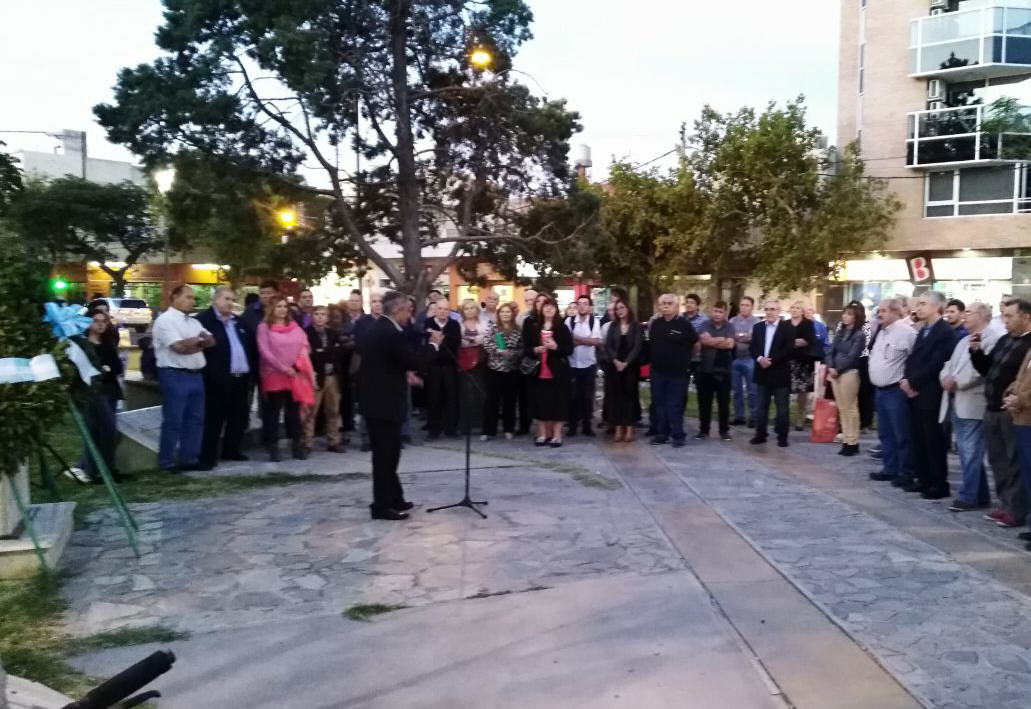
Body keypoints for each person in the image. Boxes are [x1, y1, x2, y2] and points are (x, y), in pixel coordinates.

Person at [358, 290, 443, 520]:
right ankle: (382, 506)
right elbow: (414, 361)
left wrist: (404, 373)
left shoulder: (381, 328)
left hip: (378, 401)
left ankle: (395, 498)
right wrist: (433, 345)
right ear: (398, 310)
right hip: (383, 404)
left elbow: (387, 362)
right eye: (408, 311)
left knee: (390, 453)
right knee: (385, 456)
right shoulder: (389, 333)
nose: (409, 316)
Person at [971, 298, 1031, 529]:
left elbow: (1023, 380)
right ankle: (1005, 504)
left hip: (1013, 411)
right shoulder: (1006, 339)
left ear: (1026, 317)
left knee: (1014, 462)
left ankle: (1016, 510)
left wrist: (1015, 397)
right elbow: (989, 368)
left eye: (1009, 316)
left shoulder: (1028, 343)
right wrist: (976, 352)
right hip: (992, 407)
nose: (1004, 321)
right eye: (1003, 316)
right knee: (998, 461)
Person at [940, 302, 997, 512]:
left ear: (981, 315)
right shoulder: (963, 340)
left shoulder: (992, 338)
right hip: (957, 400)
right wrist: (945, 377)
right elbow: (948, 364)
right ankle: (980, 495)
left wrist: (957, 382)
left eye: (969, 312)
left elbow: (980, 371)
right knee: (966, 452)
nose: (964, 316)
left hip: (974, 402)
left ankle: (968, 496)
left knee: (971, 452)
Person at [152, 285, 214, 471]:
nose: (192, 301)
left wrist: (194, 343)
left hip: (195, 374)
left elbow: (211, 341)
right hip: (174, 374)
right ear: (174, 297)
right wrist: (198, 342)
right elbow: (178, 347)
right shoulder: (165, 321)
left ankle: (190, 458)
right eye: (188, 297)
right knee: (173, 420)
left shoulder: (194, 322)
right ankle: (167, 461)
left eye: (193, 298)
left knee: (195, 420)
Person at [899, 291, 954, 498]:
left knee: (933, 441)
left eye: (923, 303)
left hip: (931, 393)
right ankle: (923, 479)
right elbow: (913, 359)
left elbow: (936, 363)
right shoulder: (924, 330)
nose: (919, 307)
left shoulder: (944, 332)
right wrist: (906, 380)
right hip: (915, 393)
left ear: (936, 307)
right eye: (918, 303)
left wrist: (913, 382)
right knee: (919, 440)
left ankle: (938, 484)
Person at [196, 286, 255, 470]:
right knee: (214, 419)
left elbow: (249, 347)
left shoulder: (238, 321)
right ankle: (208, 456)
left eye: (232, 300)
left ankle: (231, 450)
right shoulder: (203, 321)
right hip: (217, 379)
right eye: (226, 299)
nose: (230, 303)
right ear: (215, 299)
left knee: (238, 417)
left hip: (241, 378)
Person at [256, 295, 314, 461]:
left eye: (284, 306)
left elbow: (304, 346)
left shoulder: (295, 327)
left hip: (294, 374)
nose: (282, 309)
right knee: (274, 413)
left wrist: (296, 365)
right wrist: (283, 368)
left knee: (293, 412)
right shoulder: (264, 328)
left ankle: (297, 446)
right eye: (278, 306)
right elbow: (264, 352)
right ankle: (273, 448)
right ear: (271, 309)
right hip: (274, 374)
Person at [867, 298, 918, 484]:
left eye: (884, 310)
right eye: (879, 311)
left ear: (896, 312)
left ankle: (906, 471)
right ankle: (890, 468)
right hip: (880, 390)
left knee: (901, 434)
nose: (879, 314)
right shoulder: (881, 331)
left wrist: (909, 381)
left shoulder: (907, 333)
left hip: (896, 390)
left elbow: (915, 358)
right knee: (885, 433)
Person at [71, 309, 123, 483]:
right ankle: (94, 471)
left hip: (110, 390)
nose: (100, 324)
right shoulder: (82, 345)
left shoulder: (107, 344)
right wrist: (103, 369)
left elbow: (117, 367)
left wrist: (106, 369)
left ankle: (107, 469)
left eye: (104, 321)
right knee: (99, 430)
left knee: (108, 431)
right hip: (92, 393)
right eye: (96, 321)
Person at [523, 296, 574, 447]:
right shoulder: (535, 327)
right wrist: (535, 349)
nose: (549, 308)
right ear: (541, 309)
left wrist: (556, 347)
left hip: (557, 373)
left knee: (558, 405)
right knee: (540, 405)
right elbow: (526, 347)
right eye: (546, 306)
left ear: (556, 310)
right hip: (538, 372)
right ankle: (543, 434)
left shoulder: (562, 327)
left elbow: (569, 349)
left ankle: (557, 435)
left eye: (552, 306)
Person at [649, 294, 698, 448]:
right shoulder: (655, 324)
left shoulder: (684, 324)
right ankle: (662, 434)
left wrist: (684, 359)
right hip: (658, 371)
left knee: (675, 405)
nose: (665, 306)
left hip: (678, 372)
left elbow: (696, 344)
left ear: (676, 306)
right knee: (659, 404)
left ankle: (678, 435)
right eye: (663, 303)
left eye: (669, 303)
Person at [750, 300, 795, 447]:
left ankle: (782, 437)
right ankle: (760, 434)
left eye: (773, 309)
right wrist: (760, 359)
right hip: (762, 372)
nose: (769, 312)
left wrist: (772, 360)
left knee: (782, 408)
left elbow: (789, 349)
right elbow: (753, 347)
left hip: (780, 373)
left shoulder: (787, 328)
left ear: (779, 311)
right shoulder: (757, 327)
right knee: (761, 406)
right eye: (767, 309)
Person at [304, 305, 345, 453]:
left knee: (333, 410)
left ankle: (333, 441)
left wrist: (324, 351)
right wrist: (327, 352)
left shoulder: (333, 333)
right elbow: (310, 355)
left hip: (333, 376)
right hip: (315, 376)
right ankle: (307, 442)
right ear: (312, 316)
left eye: (323, 314)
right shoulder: (306, 333)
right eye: (317, 314)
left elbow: (340, 351)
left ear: (327, 317)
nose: (320, 317)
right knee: (311, 411)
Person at [827, 303, 866, 456]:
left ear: (856, 317)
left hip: (849, 373)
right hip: (835, 373)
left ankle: (852, 441)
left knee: (850, 408)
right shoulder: (840, 332)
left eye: (849, 314)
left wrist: (837, 369)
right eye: (844, 313)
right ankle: (846, 439)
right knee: (842, 408)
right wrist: (831, 366)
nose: (844, 316)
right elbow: (830, 351)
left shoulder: (859, 335)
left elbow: (852, 356)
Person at [481, 302, 522, 440]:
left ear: (512, 314)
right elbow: (486, 343)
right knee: (491, 401)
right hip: (494, 369)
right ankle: (488, 431)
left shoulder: (518, 330)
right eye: (502, 312)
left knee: (510, 401)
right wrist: (498, 350)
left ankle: (508, 429)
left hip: (511, 370)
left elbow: (522, 348)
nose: (505, 314)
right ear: (499, 314)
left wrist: (512, 354)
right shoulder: (493, 327)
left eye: (508, 312)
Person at [605, 300, 644, 443]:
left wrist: (626, 363)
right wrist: (615, 361)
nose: (619, 311)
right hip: (615, 366)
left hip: (630, 366)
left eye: (622, 308)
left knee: (629, 397)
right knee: (616, 397)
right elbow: (608, 346)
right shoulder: (613, 326)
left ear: (628, 308)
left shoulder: (636, 326)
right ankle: (618, 427)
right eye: (617, 309)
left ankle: (629, 428)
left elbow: (638, 347)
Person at [696, 301, 736, 441]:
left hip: (724, 370)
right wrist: (721, 339)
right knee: (704, 402)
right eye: (715, 311)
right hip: (705, 369)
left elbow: (730, 344)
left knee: (723, 403)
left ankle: (724, 431)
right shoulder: (705, 324)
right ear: (711, 311)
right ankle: (704, 430)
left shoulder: (729, 326)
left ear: (725, 313)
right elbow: (703, 341)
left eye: (720, 312)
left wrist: (712, 340)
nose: (717, 314)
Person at [424, 299, 462, 439]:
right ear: (436, 310)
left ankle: (450, 429)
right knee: (433, 397)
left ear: (449, 311)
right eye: (440, 308)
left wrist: (439, 338)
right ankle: (434, 430)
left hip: (450, 365)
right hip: (433, 365)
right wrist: (441, 338)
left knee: (451, 397)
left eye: (446, 309)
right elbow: (427, 342)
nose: (442, 311)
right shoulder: (428, 322)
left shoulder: (454, 324)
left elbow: (456, 342)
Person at [566, 295, 603, 437]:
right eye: (579, 303)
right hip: (573, 364)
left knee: (588, 396)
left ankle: (587, 425)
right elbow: (568, 341)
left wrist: (577, 339)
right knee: (573, 396)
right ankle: (573, 426)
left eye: (585, 303)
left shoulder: (594, 322)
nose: (582, 306)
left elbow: (596, 342)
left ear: (590, 307)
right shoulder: (569, 321)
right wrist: (587, 340)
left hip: (589, 365)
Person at [458, 298, 488, 433]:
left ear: (476, 310)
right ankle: (465, 424)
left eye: (472, 308)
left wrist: (471, 340)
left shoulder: (484, 324)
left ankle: (480, 422)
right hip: (463, 361)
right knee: (465, 393)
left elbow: (487, 338)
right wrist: (475, 340)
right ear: (463, 311)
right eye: (466, 308)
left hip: (481, 362)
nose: (469, 311)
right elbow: (458, 341)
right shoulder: (459, 325)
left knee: (479, 391)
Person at [787, 301, 817, 431]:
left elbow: (807, 341)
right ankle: (783, 415)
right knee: (784, 389)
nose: (794, 310)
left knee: (802, 391)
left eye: (798, 308)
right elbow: (780, 341)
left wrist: (789, 342)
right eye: (792, 307)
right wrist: (795, 342)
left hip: (804, 362)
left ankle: (800, 417)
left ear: (802, 311)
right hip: (787, 361)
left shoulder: (807, 324)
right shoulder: (784, 324)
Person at [729, 296, 759, 427]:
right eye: (742, 305)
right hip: (735, 359)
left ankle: (754, 417)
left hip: (750, 359)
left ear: (752, 307)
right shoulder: (733, 321)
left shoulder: (756, 322)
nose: (744, 307)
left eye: (747, 305)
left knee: (752, 390)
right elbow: (730, 336)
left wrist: (739, 336)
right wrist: (744, 336)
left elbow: (752, 338)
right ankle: (739, 416)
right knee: (736, 390)